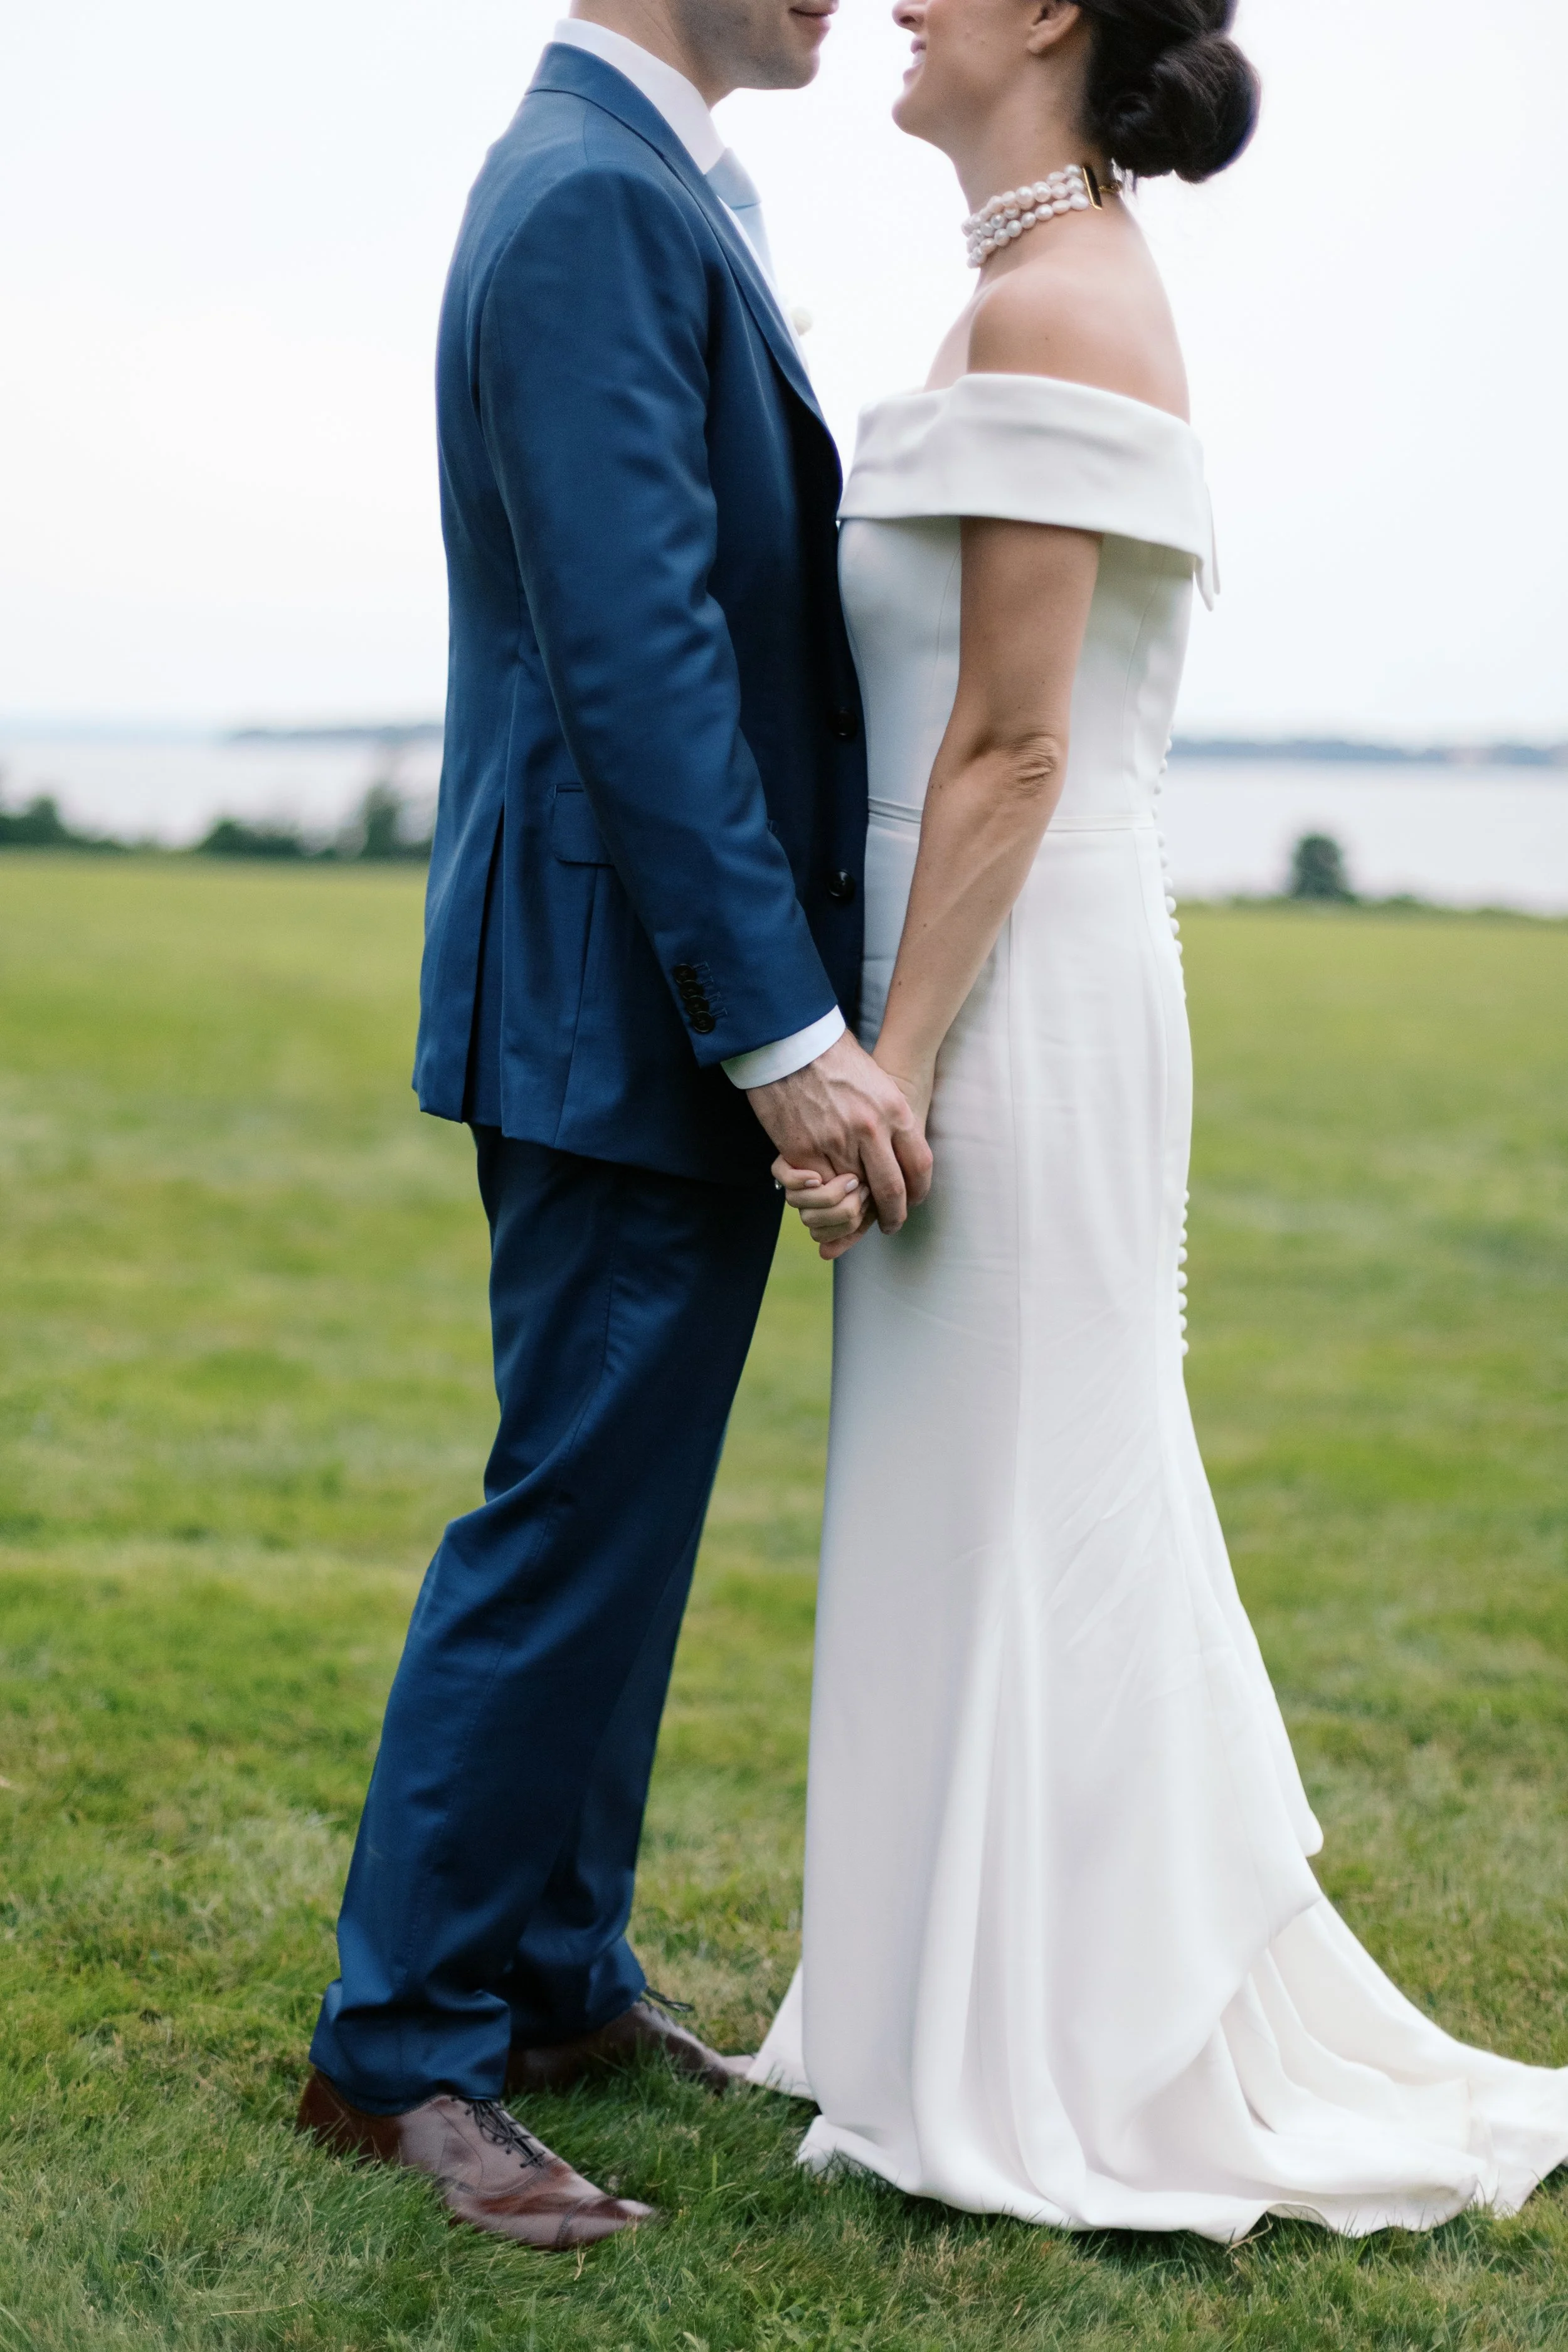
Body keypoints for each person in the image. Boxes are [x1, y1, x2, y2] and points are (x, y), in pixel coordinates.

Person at [751, 0, 1568, 2238]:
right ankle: (949, 1999)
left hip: (1015, 998)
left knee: (1039, 1490)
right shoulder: (1031, 279)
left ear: (1043, 18)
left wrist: (883, 1064)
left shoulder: (1058, 302)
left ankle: (1062, 2040)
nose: (898, 4)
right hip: (997, 969)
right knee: (982, 1489)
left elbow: (1012, 746)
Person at [295, 0, 930, 2250]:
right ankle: (403, 2048)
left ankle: (556, 1974)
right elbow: (639, 654)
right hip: (614, 995)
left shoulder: (648, 179)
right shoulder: (586, 195)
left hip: (625, 991)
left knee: (630, 1507)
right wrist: (782, 1029)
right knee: (569, 1506)